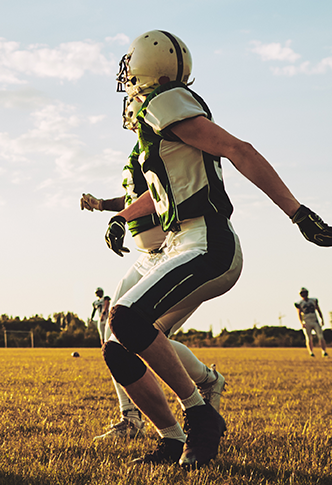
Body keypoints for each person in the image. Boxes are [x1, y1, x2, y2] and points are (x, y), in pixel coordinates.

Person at [96, 30, 332, 469]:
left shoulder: (162, 102)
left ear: (143, 66)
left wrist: (297, 212)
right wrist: (122, 215)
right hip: (180, 243)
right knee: (117, 344)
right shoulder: (156, 122)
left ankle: (200, 414)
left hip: (207, 242)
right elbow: (164, 191)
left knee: (126, 319)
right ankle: (171, 439)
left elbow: (236, 149)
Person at [81, 141, 226, 442]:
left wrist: (119, 217)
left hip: (173, 251)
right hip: (146, 256)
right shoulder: (141, 145)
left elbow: (165, 191)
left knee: (146, 337)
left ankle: (206, 381)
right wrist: (103, 205)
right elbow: (135, 198)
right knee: (114, 340)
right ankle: (130, 417)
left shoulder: (164, 139)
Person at [295, 287, 329, 357]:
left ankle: (324, 351)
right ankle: (311, 352)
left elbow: (318, 310)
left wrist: (321, 319)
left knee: (320, 337)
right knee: (309, 338)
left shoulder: (313, 300)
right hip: (306, 321)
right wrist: (301, 322)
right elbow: (299, 313)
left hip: (315, 320)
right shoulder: (300, 303)